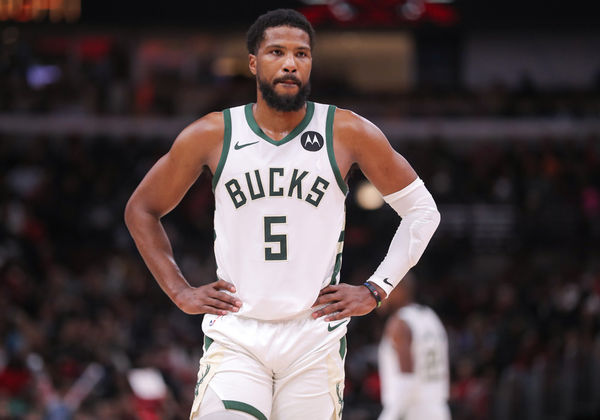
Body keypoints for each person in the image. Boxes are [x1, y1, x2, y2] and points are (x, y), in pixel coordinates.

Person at [124, 8, 440, 420]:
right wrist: (179, 291)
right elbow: (141, 209)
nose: (291, 62)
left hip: (313, 336)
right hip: (239, 333)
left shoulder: (346, 131)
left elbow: (422, 211)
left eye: (302, 54)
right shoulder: (212, 133)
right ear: (253, 62)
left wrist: (376, 288)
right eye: (277, 51)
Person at [378, 274, 450, 420]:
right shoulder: (431, 317)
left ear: (398, 288)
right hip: (439, 409)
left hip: (412, 411)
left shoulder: (399, 323)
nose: (378, 296)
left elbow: (406, 378)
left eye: (382, 288)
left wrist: (390, 415)